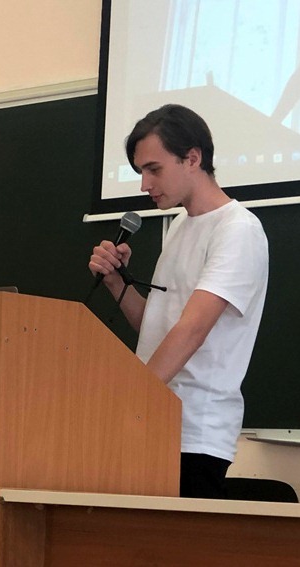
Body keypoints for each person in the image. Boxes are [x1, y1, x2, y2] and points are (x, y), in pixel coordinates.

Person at [89, 104, 268, 499]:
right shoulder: (181, 226)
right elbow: (156, 327)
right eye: (140, 172)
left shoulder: (237, 230)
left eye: (153, 169)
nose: (144, 185)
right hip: (152, 420)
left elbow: (191, 331)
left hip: (194, 433)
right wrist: (117, 282)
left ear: (192, 158)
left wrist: (131, 400)